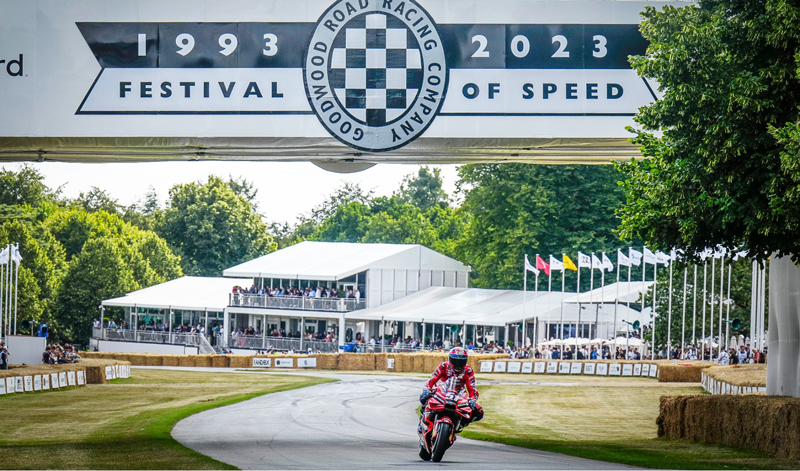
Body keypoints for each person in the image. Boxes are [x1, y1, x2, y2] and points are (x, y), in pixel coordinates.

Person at [419, 347, 484, 433]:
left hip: (459, 393)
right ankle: (423, 420)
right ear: (450, 359)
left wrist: (472, 400)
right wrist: (427, 389)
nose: (458, 364)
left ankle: (460, 424)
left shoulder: (468, 370)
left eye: (461, 361)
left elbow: (472, 388)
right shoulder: (443, 366)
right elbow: (432, 379)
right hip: (442, 390)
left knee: (479, 412)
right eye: (455, 361)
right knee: (424, 398)